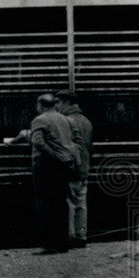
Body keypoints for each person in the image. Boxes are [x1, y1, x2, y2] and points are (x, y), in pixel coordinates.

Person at [26, 93, 79, 254]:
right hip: (64, 165)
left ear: (40, 105)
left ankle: (49, 244)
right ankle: (63, 244)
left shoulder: (40, 120)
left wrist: (54, 155)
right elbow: (76, 141)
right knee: (61, 204)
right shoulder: (66, 119)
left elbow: (38, 141)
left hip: (45, 166)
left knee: (45, 204)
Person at [55, 90, 94, 248]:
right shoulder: (86, 121)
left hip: (70, 168)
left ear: (66, 102)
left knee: (68, 203)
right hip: (84, 167)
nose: (57, 106)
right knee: (81, 203)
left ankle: (69, 236)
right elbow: (90, 146)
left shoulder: (65, 121)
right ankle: (81, 235)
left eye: (59, 102)